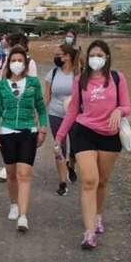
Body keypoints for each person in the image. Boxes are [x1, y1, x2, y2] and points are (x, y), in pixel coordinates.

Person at [56, 40, 131, 250]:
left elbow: (127, 106)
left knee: (102, 181)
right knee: (89, 180)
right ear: (87, 58)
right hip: (84, 132)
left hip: (109, 135)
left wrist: (119, 111)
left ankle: (98, 216)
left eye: (100, 54)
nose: (95, 58)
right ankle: (89, 233)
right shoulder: (80, 80)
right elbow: (72, 111)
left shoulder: (117, 78)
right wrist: (60, 136)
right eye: (92, 55)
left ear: (106, 57)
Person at [0, 46, 48, 231]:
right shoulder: (1, 85)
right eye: (13, 60)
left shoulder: (33, 83)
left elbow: (40, 107)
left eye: (20, 60)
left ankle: (23, 216)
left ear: (25, 63)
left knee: (25, 174)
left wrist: (43, 129)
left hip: (28, 132)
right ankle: (14, 204)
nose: (17, 63)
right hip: (6, 133)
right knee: (12, 175)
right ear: (9, 63)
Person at [0, 33, 38, 182]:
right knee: (6, 136)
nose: (3, 43)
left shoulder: (30, 63)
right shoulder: (7, 60)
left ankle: (16, 167)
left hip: (22, 105)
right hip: (7, 103)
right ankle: (8, 166)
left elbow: (32, 85)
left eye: (6, 42)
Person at [45, 44, 80, 196]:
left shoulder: (79, 74)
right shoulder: (52, 74)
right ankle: (62, 182)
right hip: (55, 114)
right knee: (59, 147)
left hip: (76, 117)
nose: (56, 57)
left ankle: (71, 165)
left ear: (67, 56)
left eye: (59, 54)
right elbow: (47, 96)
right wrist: (38, 113)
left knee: (75, 148)